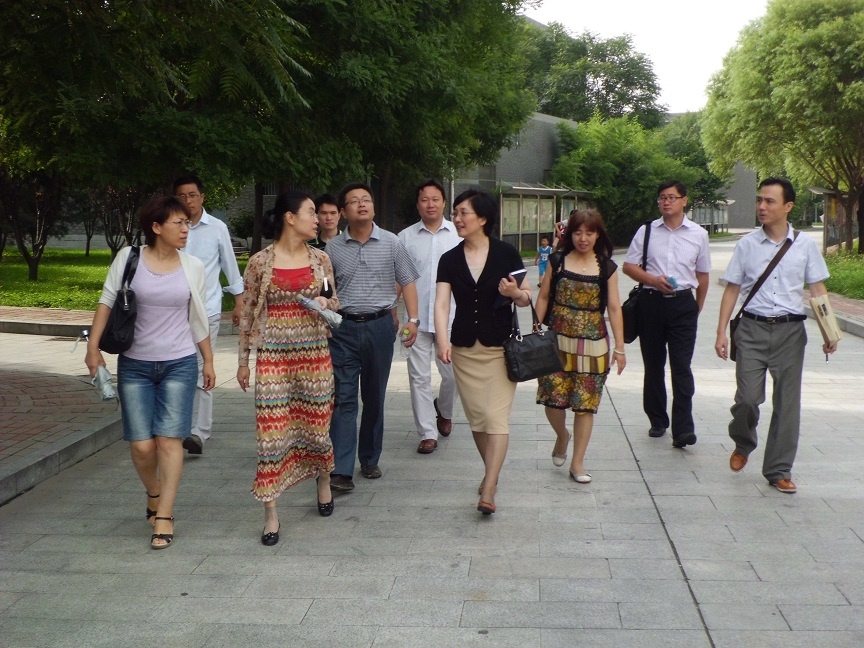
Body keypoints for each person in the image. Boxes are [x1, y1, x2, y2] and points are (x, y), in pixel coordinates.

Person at [85, 196, 214, 550]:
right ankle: (154, 493)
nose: (186, 229)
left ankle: (165, 515)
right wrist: (93, 349)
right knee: (142, 446)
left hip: (179, 363)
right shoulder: (129, 258)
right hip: (135, 364)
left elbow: (198, 317)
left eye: (187, 223)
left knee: (169, 440)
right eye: (178, 223)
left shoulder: (193, 266)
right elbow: (106, 302)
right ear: (156, 227)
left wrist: (208, 360)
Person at [714, 177, 837, 494]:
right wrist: (721, 332)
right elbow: (732, 289)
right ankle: (743, 441)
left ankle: (779, 469)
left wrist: (830, 331)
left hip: (790, 332)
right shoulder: (747, 245)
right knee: (748, 399)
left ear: (788, 206)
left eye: (769, 201)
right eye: (759, 200)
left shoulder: (804, 245)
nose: (761, 206)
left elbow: (817, 290)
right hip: (751, 329)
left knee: (787, 404)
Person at [236, 191, 339, 545]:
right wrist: (243, 362)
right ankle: (271, 513)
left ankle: (323, 477)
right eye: (311, 212)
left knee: (317, 428)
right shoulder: (259, 262)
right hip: (273, 355)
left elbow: (334, 299)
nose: (318, 218)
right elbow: (248, 313)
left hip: (314, 354)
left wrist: (325, 300)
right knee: (271, 435)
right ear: (290, 218)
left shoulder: (321, 259)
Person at [434, 188, 531, 515]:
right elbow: (442, 303)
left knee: (495, 417)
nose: (457, 219)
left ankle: (489, 487)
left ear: (483, 218)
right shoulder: (449, 259)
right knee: (477, 419)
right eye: (456, 213)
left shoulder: (506, 253)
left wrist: (514, 293)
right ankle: (491, 472)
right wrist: (442, 340)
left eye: (464, 213)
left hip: (500, 347)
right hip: (464, 348)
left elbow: (526, 298)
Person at [325, 182, 420, 492]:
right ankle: (341, 470)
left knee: (374, 396)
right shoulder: (333, 249)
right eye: (354, 201)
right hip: (343, 329)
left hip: (380, 327)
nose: (361, 204)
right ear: (344, 212)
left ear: (374, 208)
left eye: (366, 199)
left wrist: (413, 320)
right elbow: (326, 291)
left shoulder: (392, 243)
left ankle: (369, 458)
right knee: (344, 398)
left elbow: (407, 281)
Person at [535, 210, 626, 483]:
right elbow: (543, 296)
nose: (583, 238)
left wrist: (620, 347)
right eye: (577, 232)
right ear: (569, 234)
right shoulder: (557, 260)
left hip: (593, 345)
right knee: (552, 398)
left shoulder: (607, 267)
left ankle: (577, 463)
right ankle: (562, 435)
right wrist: (536, 331)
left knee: (585, 404)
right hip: (557, 341)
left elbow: (614, 308)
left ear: (598, 235)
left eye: (589, 233)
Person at [622, 180, 710, 448]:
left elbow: (703, 274)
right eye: (662, 197)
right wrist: (652, 279)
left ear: (684, 200)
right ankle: (658, 419)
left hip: (683, 305)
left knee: (681, 366)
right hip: (651, 303)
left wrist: (697, 306)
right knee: (654, 364)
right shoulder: (647, 230)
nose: (666, 202)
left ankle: (683, 428)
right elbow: (628, 266)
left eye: (672, 197)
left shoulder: (698, 234)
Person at [173, 175, 245, 455]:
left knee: (204, 366)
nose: (187, 201)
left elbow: (230, 265)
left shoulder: (216, 228)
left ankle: (198, 432)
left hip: (207, 310)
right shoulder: (169, 227)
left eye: (192, 195)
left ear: (202, 197)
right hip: (173, 310)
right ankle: (176, 425)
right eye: (181, 196)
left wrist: (238, 302)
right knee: (177, 368)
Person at [397, 179, 461, 454]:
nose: (430, 204)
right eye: (424, 199)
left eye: (435, 199)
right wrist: (393, 312)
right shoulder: (405, 238)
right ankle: (427, 432)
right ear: (417, 204)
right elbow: (398, 278)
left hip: (453, 319)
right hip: (417, 319)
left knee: (453, 375)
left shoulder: (458, 234)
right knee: (418, 377)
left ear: (444, 202)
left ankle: (444, 410)